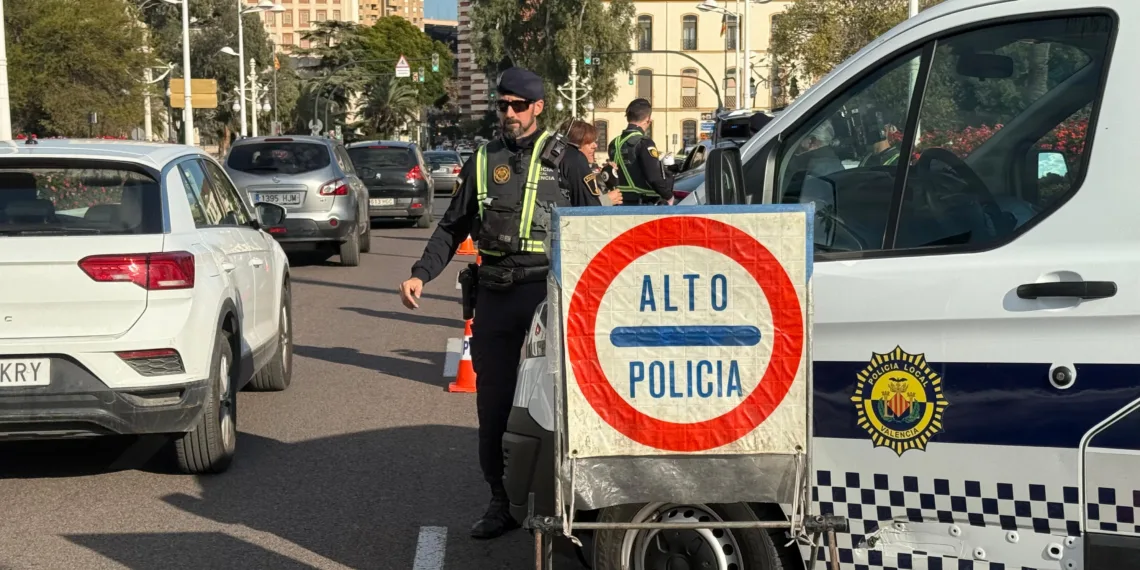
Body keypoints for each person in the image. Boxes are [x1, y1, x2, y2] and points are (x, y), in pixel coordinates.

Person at [398, 66, 603, 541]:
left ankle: (574, 504)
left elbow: (595, 233)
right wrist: (420, 273)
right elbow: (452, 225)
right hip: (495, 298)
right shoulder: (483, 160)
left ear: (538, 107)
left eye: (517, 106)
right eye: (501, 105)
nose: (508, 114)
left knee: (562, 407)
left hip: (547, 302)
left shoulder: (568, 161)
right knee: (493, 407)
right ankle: (500, 502)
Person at [607, 98, 675, 205]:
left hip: (619, 203)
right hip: (643, 204)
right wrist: (669, 196)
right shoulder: (644, 142)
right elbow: (653, 177)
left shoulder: (613, 144)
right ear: (648, 120)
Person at [560, 118, 623, 206]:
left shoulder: (565, 164)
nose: (595, 146)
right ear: (574, 144)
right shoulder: (576, 162)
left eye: (594, 141)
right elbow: (584, 206)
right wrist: (607, 200)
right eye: (588, 142)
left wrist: (603, 178)